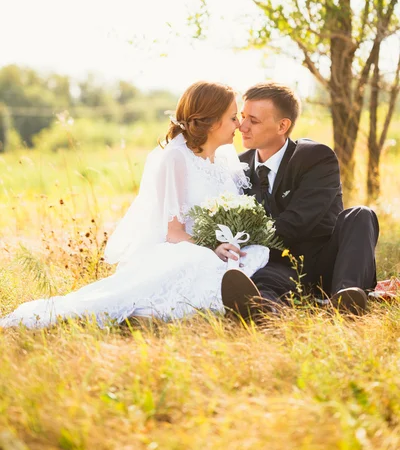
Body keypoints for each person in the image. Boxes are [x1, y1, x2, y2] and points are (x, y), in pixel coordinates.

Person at [0, 82, 270, 329]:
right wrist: (212, 246)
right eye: (233, 118)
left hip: (220, 246)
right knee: (199, 261)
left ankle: (233, 303)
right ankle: (163, 313)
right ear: (211, 122)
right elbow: (174, 233)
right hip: (183, 247)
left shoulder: (225, 158)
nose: (239, 125)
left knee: (256, 252)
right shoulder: (176, 158)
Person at [221, 82, 379, 316]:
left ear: (282, 125)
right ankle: (262, 311)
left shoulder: (315, 157)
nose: (242, 126)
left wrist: (246, 237)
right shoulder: (238, 167)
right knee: (262, 281)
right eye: (242, 117)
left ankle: (347, 298)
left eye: (253, 121)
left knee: (360, 215)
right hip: (278, 265)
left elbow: (298, 221)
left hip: (326, 261)